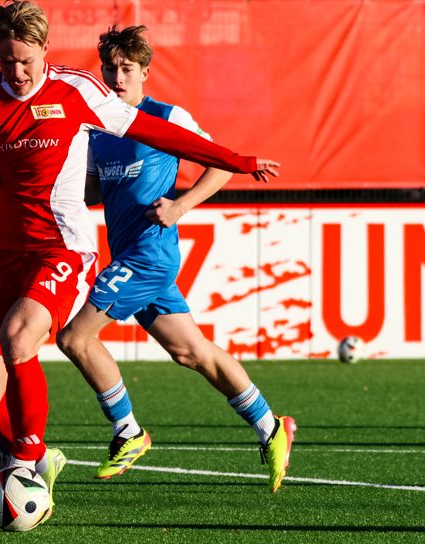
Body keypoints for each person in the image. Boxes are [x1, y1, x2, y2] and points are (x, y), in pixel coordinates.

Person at [0, 0, 280, 515]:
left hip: (63, 248)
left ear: (45, 49)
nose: (18, 71)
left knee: (21, 337)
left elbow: (154, 131)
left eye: (26, 59)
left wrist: (236, 160)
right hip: (6, 256)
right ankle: (46, 456)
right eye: (7, 60)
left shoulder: (77, 90)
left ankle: (28, 459)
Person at [56, 25, 296, 492]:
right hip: (130, 252)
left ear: (145, 72)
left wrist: (181, 205)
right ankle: (271, 427)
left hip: (150, 255)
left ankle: (129, 432)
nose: (118, 76)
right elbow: (88, 188)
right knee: (192, 352)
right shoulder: (100, 129)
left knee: (75, 338)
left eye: (127, 68)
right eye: (110, 68)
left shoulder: (165, 116)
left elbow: (218, 161)